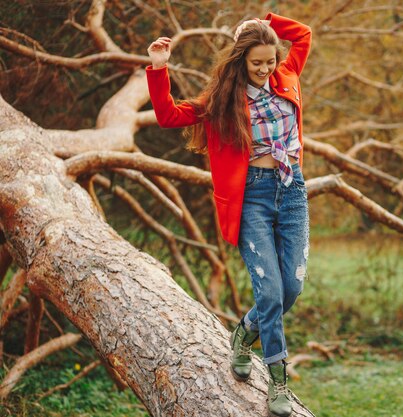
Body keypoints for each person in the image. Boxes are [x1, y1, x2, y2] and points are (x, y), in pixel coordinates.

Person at [146, 12, 312, 417]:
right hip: (251, 197)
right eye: (256, 62)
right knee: (270, 292)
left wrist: (265, 20)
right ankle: (278, 385)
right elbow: (169, 116)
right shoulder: (221, 101)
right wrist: (158, 67)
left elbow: (303, 34)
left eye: (269, 60)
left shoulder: (287, 76)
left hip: (292, 193)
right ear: (241, 61)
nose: (264, 69)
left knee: (290, 289)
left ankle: (243, 333)